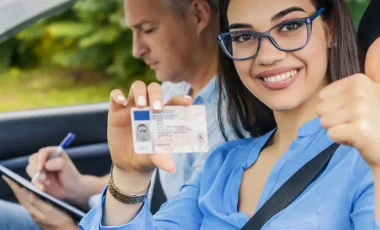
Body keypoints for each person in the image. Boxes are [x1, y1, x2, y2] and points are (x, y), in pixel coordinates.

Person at [69, 0, 380, 229]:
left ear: (331, 30)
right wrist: (129, 177)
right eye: (244, 36)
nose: (268, 55)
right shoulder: (221, 165)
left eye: (290, 26)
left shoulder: (367, 159)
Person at [1, 0, 237, 229]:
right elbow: (143, 182)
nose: (136, 50)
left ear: (198, 15)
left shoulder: (228, 126)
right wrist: (77, 187)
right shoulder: (172, 91)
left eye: (148, 29)